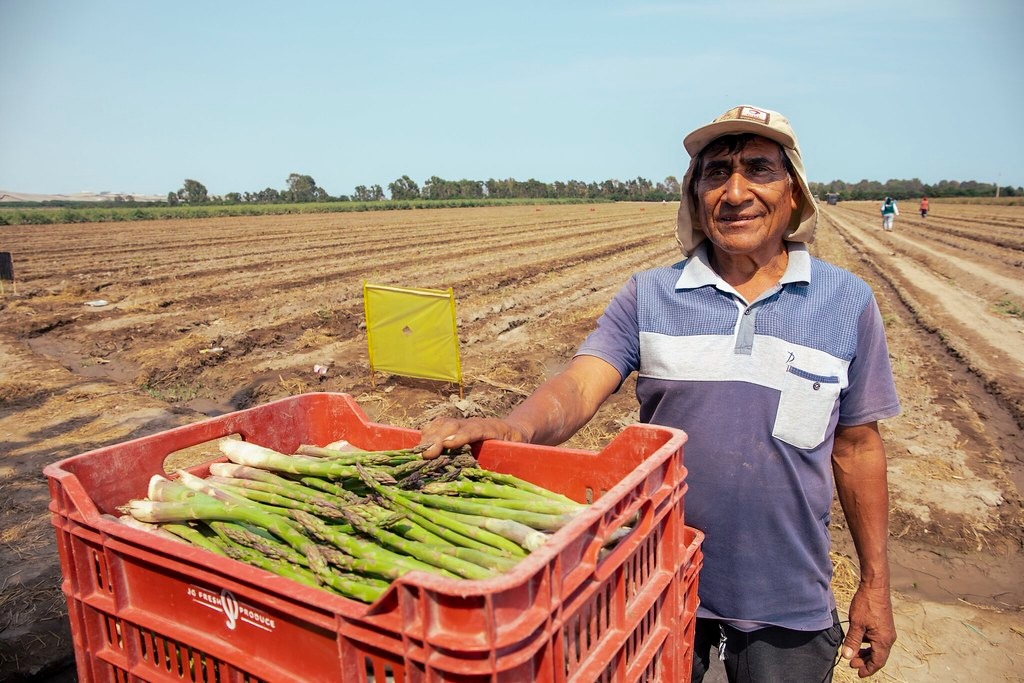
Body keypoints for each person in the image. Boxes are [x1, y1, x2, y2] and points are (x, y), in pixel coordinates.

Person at [418, 104, 900, 682]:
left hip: (788, 601)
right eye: (715, 173)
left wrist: (875, 584)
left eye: (758, 169)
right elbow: (579, 383)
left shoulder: (846, 303)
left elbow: (857, 449)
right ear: (696, 196)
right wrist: (515, 429)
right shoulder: (650, 295)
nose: (736, 190)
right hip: (660, 586)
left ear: (794, 193)